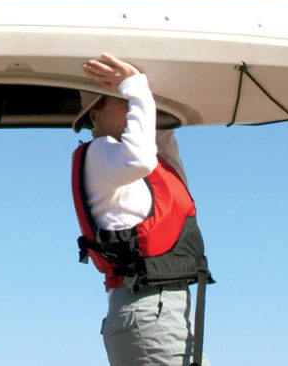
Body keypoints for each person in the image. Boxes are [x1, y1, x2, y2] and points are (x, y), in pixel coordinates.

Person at [71, 53, 213, 366]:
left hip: (169, 313)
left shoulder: (151, 166)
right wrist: (136, 85)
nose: (140, 108)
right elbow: (140, 157)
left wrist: (144, 88)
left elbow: (159, 137)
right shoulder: (100, 155)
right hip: (148, 310)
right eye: (128, 101)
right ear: (95, 110)